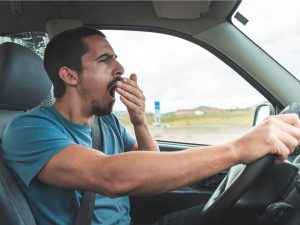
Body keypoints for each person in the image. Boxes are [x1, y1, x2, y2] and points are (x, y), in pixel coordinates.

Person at [1, 26, 300, 225]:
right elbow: (110, 177)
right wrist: (237, 149)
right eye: (105, 60)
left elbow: (151, 172)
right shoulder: (28, 130)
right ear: (70, 76)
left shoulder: (106, 124)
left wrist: (139, 120)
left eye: (116, 58)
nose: (120, 68)